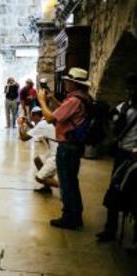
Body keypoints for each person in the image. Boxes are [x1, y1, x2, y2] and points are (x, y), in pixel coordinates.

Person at [38, 67, 93, 230]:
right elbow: (64, 111)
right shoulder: (83, 98)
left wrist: (42, 101)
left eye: (69, 82)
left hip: (67, 146)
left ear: (75, 84)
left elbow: (50, 118)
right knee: (72, 181)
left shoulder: (74, 100)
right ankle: (76, 215)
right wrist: (53, 99)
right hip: (75, 145)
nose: (67, 84)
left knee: (67, 183)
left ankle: (69, 217)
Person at [97, 73, 137, 244]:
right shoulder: (124, 107)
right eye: (130, 88)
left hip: (134, 156)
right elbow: (109, 124)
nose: (131, 91)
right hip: (123, 154)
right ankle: (110, 228)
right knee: (114, 189)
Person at [17, 106, 58, 194]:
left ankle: (64, 187)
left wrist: (20, 125)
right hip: (53, 151)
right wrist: (28, 122)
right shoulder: (44, 122)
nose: (30, 117)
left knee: (39, 178)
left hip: (56, 155)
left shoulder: (42, 125)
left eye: (32, 116)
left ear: (36, 116)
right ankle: (47, 188)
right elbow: (36, 129)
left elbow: (24, 138)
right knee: (37, 160)